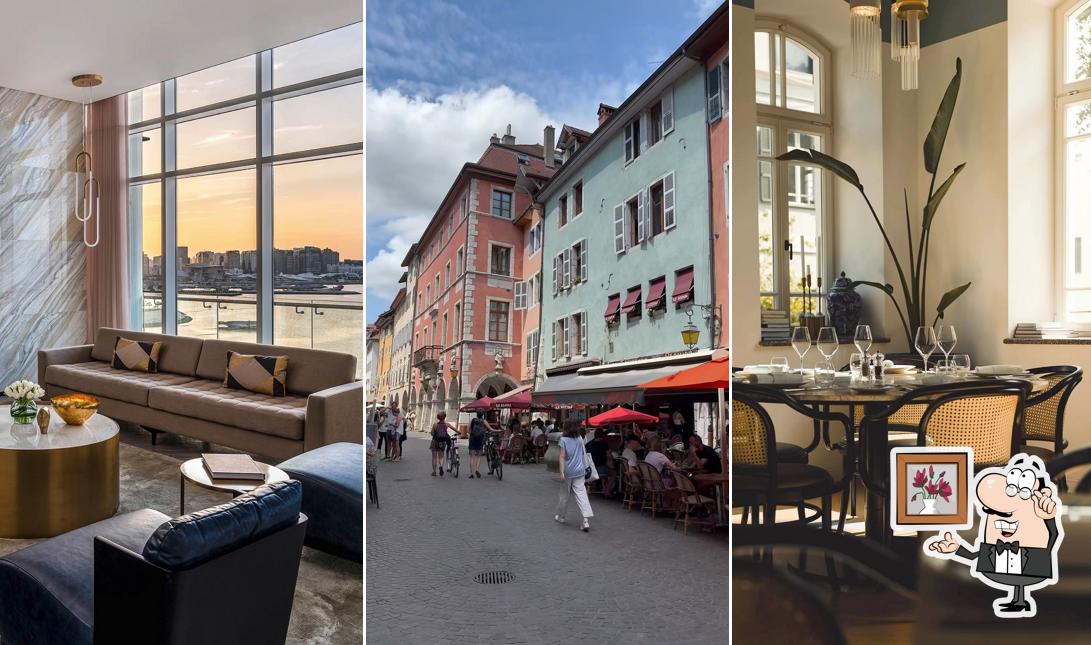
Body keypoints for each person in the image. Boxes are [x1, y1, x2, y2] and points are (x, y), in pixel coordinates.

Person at [555, 421, 594, 532]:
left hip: (568, 471)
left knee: (564, 494)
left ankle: (561, 516)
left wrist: (561, 472)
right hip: (580, 470)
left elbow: (562, 457)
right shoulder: (580, 439)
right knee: (582, 494)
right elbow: (583, 453)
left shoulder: (563, 440)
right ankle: (585, 520)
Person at [467, 412, 498, 478]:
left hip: (472, 439)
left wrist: (472, 434)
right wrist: (499, 430)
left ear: (477, 414)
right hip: (480, 439)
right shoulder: (484, 421)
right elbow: (491, 429)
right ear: (482, 415)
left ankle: (471, 474)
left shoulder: (472, 420)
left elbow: (467, 430)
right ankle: (477, 469)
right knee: (478, 456)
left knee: (472, 457)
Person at [430, 411, 456, 477]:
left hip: (435, 441)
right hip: (442, 441)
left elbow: (432, 433)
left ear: (438, 417)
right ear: (444, 417)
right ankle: (441, 466)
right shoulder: (446, 424)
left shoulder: (435, 424)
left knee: (434, 457)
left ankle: (434, 472)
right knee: (441, 456)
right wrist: (459, 432)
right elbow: (455, 429)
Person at [586, 428, 612, 495]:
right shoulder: (604, 444)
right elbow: (609, 455)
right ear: (603, 435)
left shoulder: (589, 445)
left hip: (591, 470)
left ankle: (592, 487)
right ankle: (607, 490)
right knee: (613, 474)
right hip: (602, 469)